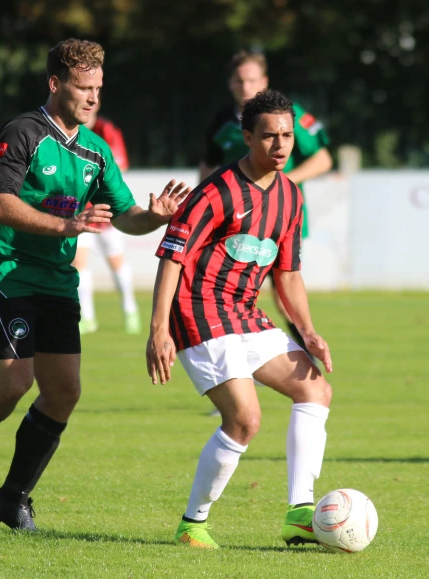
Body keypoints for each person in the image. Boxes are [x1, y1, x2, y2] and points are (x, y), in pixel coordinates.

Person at [0, 38, 191, 531]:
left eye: (98, 88)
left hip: (55, 282)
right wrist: (67, 226)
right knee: (14, 382)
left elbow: (125, 215)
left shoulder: (96, 151)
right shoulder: (22, 133)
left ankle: (12, 498)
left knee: (64, 393)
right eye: (82, 87)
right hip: (5, 271)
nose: (93, 98)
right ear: (56, 84)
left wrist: (154, 217)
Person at [147, 90, 333, 549]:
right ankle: (193, 523)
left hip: (245, 312)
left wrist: (307, 331)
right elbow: (171, 258)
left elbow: (287, 274)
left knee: (315, 387)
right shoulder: (216, 192)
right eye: (269, 136)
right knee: (245, 419)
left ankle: (300, 513)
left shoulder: (291, 196)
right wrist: (158, 331)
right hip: (198, 310)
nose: (281, 145)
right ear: (247, 137)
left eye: (287, 136)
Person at [199, 51, 332, 357]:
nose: (246, 86)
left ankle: (306, 360)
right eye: (239, 80)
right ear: (230, 83)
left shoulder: (288, 115)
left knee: (284, 294)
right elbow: (208, 166)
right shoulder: (222, 122)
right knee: (228, 297)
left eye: (252, 80)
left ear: (265, 81)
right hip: (232, 222)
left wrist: (282, 184)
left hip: (277, 222)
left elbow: (324, 157)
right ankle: (234, 379)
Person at [72, 102, 140, 334]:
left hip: (105, 212)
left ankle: (130, 309)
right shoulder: (67, 131)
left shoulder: (107, 130)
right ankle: (87, 318)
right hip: (79, 213)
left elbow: (120, 166)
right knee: (78, 263)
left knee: (116, 263)